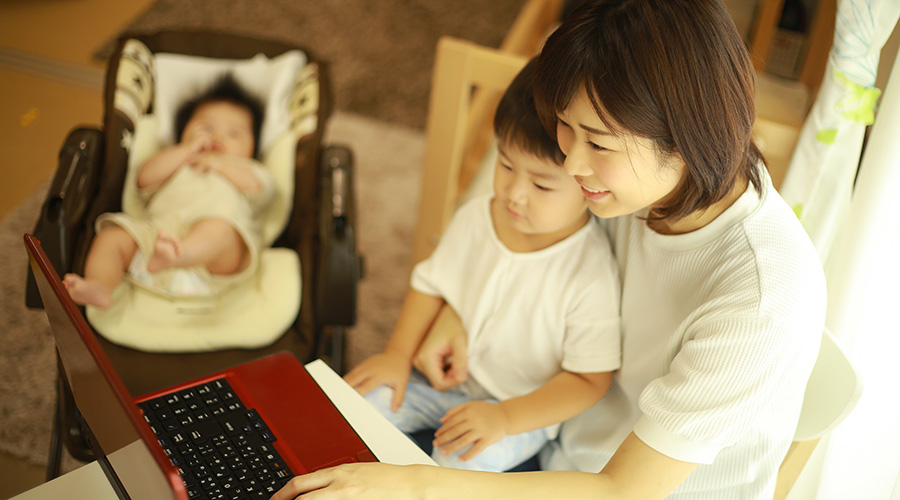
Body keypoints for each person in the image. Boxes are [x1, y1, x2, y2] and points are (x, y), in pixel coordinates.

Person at [273, 0, 826, 498]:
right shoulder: (636, 188)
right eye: (566, 129)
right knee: (312, 439)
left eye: (599, 144)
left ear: (686, 135)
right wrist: (455, 313)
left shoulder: (761, 297)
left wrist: (417, 484)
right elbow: (513, 240)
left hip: (612, 485)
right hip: (552, 442)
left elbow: (622, 490)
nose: (570, 165)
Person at [343, 58, 621, 472]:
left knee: (462, 466)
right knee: (351, 409)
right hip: (433, 383)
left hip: (514, 411)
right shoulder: (478, 217)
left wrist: (505, 417)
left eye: (542, 184)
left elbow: (589, 380)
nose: (514, 193)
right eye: (505, 165)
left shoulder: (590, 273)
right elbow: (430, 284)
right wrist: (397, 354)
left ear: (589, 186)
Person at [64, 74, 274, 308]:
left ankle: (181, 255)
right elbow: (144, 179)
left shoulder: (247, 169)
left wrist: (221, 166)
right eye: (205, 127)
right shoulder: (176, 160)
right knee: (111, 237)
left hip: (214, 263)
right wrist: (185, 152)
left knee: (220, 229)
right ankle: (100, 285)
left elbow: (262, 189)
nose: (217, 136)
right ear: (182, 132)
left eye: (234, 134)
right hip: (157, 240)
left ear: (253, 147)